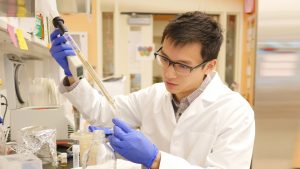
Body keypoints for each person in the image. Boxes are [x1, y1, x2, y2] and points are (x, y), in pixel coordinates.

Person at [50, 11, 255, 169]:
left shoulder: (236, 112)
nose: (169, 73)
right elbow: (103, 112)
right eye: (165, 59)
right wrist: (72, 72)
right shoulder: (154, 96)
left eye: (182, 65)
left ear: (209, 66)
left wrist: (156, 160)